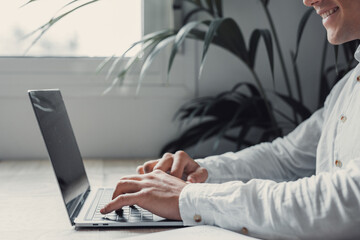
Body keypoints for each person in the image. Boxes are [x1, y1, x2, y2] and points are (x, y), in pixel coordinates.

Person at [101, 0, 360, 239]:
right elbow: (285, 159)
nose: (308, 0)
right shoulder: (349, 86)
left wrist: (190, 197)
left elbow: (346, 200)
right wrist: (200, 175)